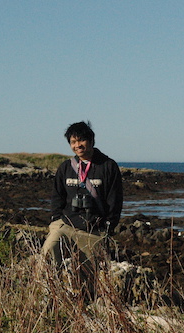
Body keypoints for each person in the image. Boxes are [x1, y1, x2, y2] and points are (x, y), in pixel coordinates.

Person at [42, 121, 123, 285]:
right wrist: (56, 219)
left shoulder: (108, 166)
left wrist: (107, 227)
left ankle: (84, 306)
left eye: (81, 140)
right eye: (73, 142)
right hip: (66, 225)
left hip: (93, 230)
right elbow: (57, 196)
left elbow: (115, 200)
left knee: (87, 278)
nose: (77, 145)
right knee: (48, 253)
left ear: (91, 140)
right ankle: (49, 295)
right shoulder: (66, 167)